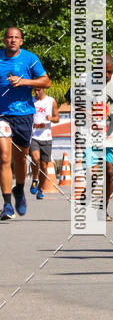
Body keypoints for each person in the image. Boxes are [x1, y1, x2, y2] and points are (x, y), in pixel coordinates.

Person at [0, 27, 51, 220]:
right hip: (2, 115)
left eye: (16, 38)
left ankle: (19, 191)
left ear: (21, 41)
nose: (13, 40)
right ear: (4, 40)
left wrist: (24, 82)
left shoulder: (30, 59)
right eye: (9, 37)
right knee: (4, 157)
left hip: (24, 114)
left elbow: (46, 82)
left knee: (21, 158)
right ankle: (6, 205)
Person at [29, 87, 60, 199]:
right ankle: (35, 179)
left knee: (44, 166)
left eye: (38, 90)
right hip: (33, 136)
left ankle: (40, 189)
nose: (36, 92)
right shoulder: (31, 100)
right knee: (35, 158)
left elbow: (57, 118)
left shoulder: (51, 101)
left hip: (46, 137)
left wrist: (51, 118)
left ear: (43, 89)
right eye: (35, 90)